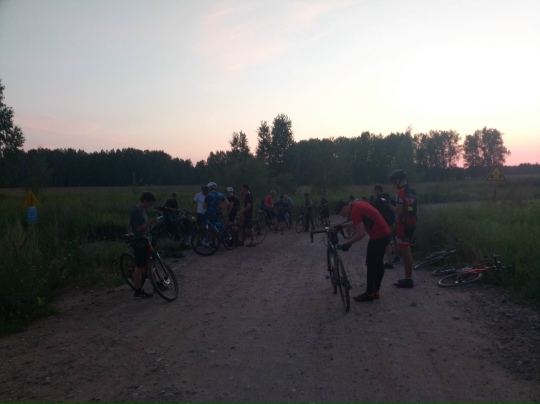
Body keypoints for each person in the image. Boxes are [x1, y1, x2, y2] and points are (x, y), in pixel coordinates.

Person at [334, 199, 392, 302]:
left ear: (344, 208)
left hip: (378, 236)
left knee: (371, 264)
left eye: (342, 214)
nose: (343, 216)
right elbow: (358, 222)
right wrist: (342, 226)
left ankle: (369, 294)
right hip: (386, 234)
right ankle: (375, 291)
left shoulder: (355, 211)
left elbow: (361, 233)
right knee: (378, 263)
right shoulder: (357, 204)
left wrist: (348, 244)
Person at [387, 169, 417, 288]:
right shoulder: (412, 190)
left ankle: (408, 279)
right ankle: (408, 277)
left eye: (393, 182)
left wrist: (389, 205)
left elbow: (398, 211)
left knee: (405, 253)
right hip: (411, 223)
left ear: (398, 180)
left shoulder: (400, 193)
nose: (393, 184)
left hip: (403, 225)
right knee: (408, 251)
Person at [127, 191, 159, 300]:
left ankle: (157, 285)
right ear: (144, 201)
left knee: (150, 261)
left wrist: (129, 231)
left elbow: (130, 221)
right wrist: (150, 222)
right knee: (139, 266)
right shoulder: (136, 211)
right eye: (150, 203)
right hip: (140, 242)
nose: (150, 206)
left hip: (146, 240)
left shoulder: (141, 209)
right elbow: (138, 228)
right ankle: (138, 291)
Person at [369, 184, 397, 269]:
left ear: (377, 190)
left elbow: (372, 210)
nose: (374, 192)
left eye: (375, 190)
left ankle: (387, 262)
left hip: (382, 223)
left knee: (383, 242)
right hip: (391, 223)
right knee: (390, 241)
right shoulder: (389, 199)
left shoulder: (378, 200)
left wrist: (371, 200)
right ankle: (392, 260)